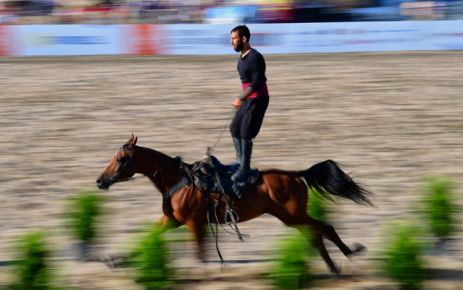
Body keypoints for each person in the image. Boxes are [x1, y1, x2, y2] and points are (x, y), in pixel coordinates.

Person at [229, 25, 269, 194]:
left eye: (234, 39)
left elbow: (258, 82)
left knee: (245, 132)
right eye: (231, 39)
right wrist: (243, 97)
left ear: (244, 39)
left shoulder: (255, 57)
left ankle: (245, 168)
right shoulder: (242, 59)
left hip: (258, 99)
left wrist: (241, 97)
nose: (232, 42)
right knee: (234, 128)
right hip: (248, 99)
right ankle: (240, 162)